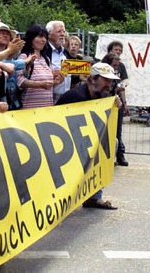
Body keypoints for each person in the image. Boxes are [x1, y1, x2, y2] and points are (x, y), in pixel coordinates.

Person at [55, 62, 121, 210]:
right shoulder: (75, 96)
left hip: (83, 140)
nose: (109, 84)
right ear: (92, 79)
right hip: (64, 142)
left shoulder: (102, 96)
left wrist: (116, 104)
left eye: (111, 81)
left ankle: (94, 197)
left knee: (112, 143)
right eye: (106, 80)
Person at [0, 22, 33, 109]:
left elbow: (18, 77)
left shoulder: (13, 57)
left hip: (13, 98)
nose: (5, 36)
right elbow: (9, 65)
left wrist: (27, 69)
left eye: (7, 34)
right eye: (2, 33)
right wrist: (25, 62)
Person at [17, 24, 61, 109]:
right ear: (31, 38)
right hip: (29, 110)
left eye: (45, 37)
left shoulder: (46, 59)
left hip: (47, 109)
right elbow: (19, 81)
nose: (43, 40)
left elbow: (48, 86)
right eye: (40, 36)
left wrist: (57, 81)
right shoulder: (24, 57)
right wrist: (40, 84)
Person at [101, 52, 129, 167]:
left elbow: (115, 89)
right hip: (103, 107)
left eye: (117, 65)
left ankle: (117, 155)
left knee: (117, 132)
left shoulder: (115, 74)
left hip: (114, 106)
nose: (116, 67)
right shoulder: (101, 73)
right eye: (114, 65)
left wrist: (121, 100)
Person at [45, 20, 71, 102]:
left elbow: (70, 75)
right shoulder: (44, 52)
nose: (62, 34)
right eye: (59, 31)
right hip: (48, 97)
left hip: (66, 97)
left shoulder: (66, 53)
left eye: (63, 31)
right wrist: (50, 74)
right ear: (49, 34)